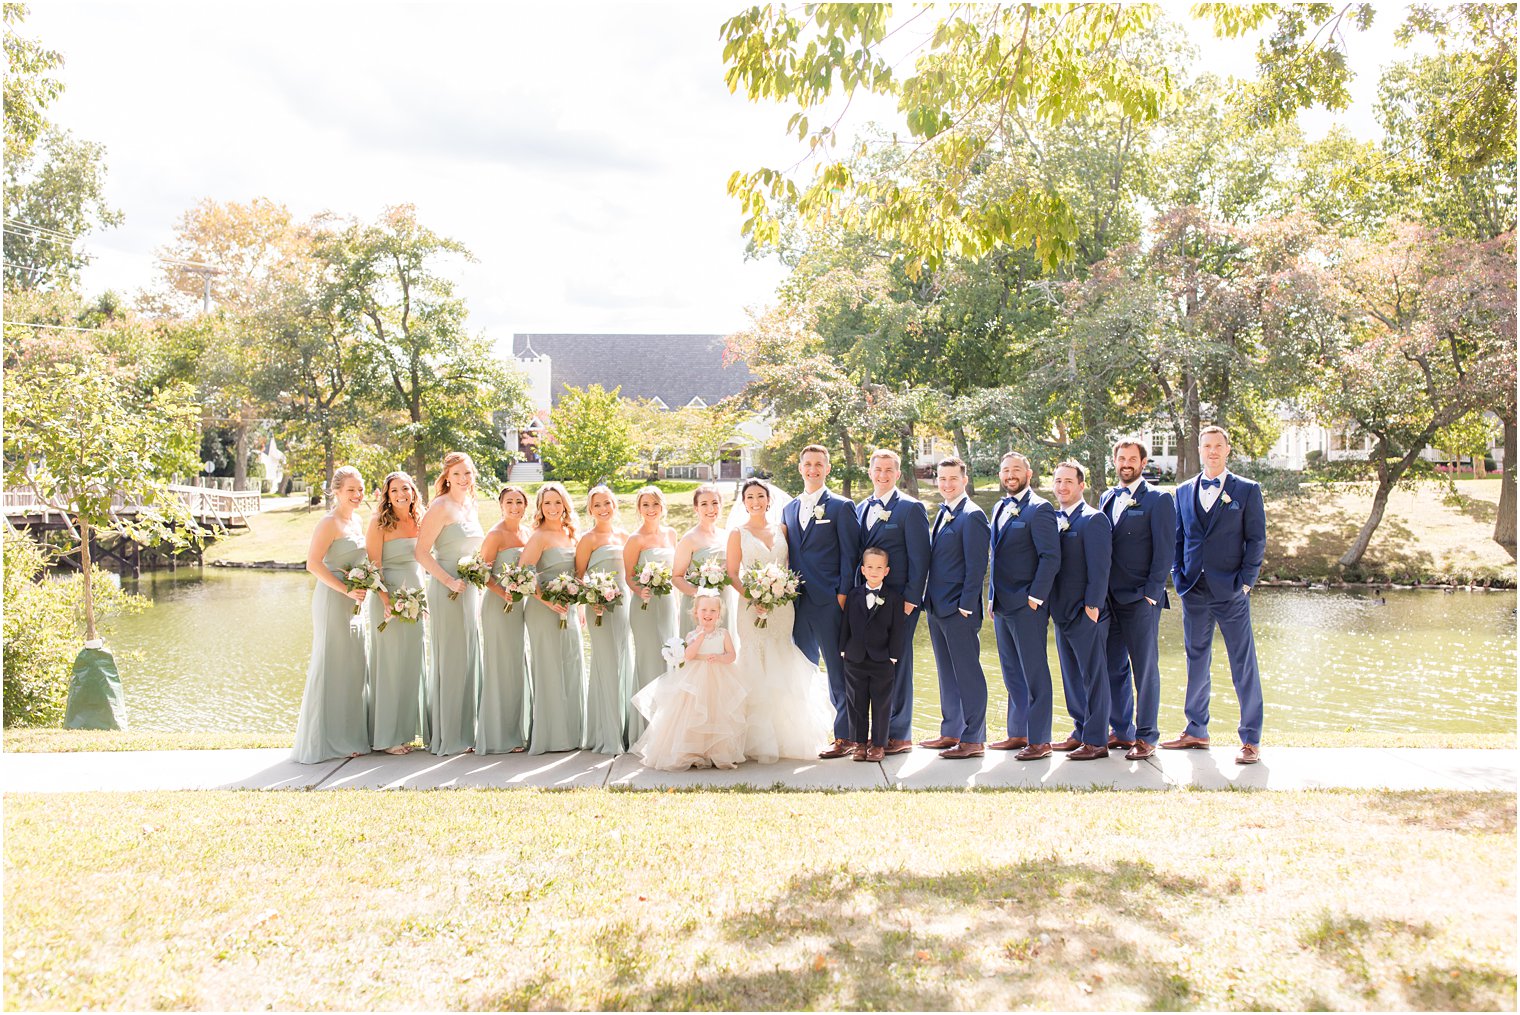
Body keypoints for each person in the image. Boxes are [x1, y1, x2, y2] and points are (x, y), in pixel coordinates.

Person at [1165, 425, 1267, 765]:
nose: (1211, 451)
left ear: (1227, 450)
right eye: (1206, 445)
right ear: (1199, 448)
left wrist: (1246, 581)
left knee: (1243, 663)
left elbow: (1256, 539)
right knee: (1196, 660)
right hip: (1194, 589)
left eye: (1217, 446)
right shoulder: (1182, 491)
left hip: (1231, 591)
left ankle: (1250, 739)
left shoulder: (1247, 490)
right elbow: (1177, 538)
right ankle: (1196, 729)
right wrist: (1178, 576)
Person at [726, 477, 835, 762]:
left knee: (782, 655)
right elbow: (732, 574)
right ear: (743, 502)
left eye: (760, 496)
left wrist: (780, 590)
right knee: (754, 659)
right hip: (751, 607)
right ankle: (752, 739)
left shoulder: (782, 529)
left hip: (783, 606)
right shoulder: (738, 533)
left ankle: (786, 735)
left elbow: (790, 565)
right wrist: (754, 597)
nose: (755, 502)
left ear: (768, 500)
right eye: (749, 497)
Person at [779, 445, 861, 758]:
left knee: (839, 671)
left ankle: (846, 736)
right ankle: (806, 734)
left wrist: (842, 595)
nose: (812, 469)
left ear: (827, 468)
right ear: (800, 468)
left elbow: (850, 554)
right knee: (802, 669)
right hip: (797, 604)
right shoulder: (789, 509)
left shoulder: (841, 506)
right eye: (807, 463)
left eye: (818, 464)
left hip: (830, 601)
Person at [1099, 439, 1176, 761]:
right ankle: (1122, 730)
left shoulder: (1158, 499)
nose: (1126, 464)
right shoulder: (1106, 497)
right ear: (1114, 462)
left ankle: (1146, 736)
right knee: (1113, 668)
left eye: (1132, 459)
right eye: (1121, 458)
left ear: (1143, 463)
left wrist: (1151, 594)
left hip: (1141, 600)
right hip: (1108, 599)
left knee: (1144, 670)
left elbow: (1165, 551)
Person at [293, 466, 372, 763]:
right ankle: (324, 741)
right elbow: (313, 564)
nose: (357, 495)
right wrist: (344, 589)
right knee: (331, 664)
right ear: (336, 491)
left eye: (360, 489)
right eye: (351, 490)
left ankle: (349, 737)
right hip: (332, 600)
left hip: (354, 601)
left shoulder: (358, 520)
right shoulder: (329, 522)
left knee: (353, 665)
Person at [855, 449, 930, 755]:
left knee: (897, 664)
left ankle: (899, 734)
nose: (883, 475)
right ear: (870, 472)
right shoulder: (861, 508)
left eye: (889, 470)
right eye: (878, 469)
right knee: (870, 665)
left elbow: (920, 558)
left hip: (899, 603)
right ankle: (874, 735)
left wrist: (912, 599)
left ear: (898, 474)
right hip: (867, 602)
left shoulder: (910, 509)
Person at [986, 452, 1061, 759]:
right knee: (1011, 674)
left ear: (1029, 474)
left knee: (1034, 674)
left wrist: (1035, 598)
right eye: (1006, 470)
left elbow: (1050, 557)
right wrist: (991, 597)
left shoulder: (1040, 509)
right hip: (1002, 604)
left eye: (1016, 469)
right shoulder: (999, 507)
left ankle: (1041, 740)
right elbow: (996, 557)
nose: (1010, 474)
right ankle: (1018, 733)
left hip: (1027, 605)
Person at [919, 456, 992, 759]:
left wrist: (965, 606)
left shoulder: (972, 515)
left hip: (958, 610)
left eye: (952, 478)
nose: (946, 484)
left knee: (968, 673)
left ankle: (973, 738)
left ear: (964, 479)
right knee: (947, 674)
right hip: (937, 607)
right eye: (942, 478)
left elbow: (977, 566)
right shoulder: (944, 513)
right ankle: (951, 731)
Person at [414, 451, 485, 756]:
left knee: (469, 658)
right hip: (447, 589)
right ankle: (448, 736)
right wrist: (448, 582)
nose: (463, 479)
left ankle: (467, 732)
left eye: (468, 473)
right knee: (452, 658)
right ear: (446, 477)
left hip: (469, 589)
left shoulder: (471, 506)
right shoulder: (440, 507)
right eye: (457, 474)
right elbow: (421, 552)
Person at [630, 592, 747, 771]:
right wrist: (700, 637)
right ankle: (692, 751)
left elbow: (732, 655)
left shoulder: (723, 633)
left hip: (719, 677)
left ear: (719, 614)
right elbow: (688, 655)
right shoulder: (692, 634)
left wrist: (720, 658)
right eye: (704, 610)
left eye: (713, 610)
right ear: (696, 613)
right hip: (695, 677)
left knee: (716, 712)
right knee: (692, 713)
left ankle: (715, 751)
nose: (708, 614)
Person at [1047, 461, 1114, 761]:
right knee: (1071, 677)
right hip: (1060, 612)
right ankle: (1080, 731)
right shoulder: (1052, 518)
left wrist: (1093, 607)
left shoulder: (1094, 519)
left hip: (1086, 613)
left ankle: (1097, 740)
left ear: (1081, 485)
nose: (1062, 487)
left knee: (1094, 677)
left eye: (1068, 481)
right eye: (1058, 481)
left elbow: (1101, 569)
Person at [521, 482, 587, 755]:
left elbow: (579, 575)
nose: (552, 508)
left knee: (571, 664)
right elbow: (523, 574)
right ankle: (551, 736)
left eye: (556, 502)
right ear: (540, 507)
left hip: (568, 608)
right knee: (549, 667)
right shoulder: (538, 536)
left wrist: (579, 606)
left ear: (565, 505)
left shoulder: (572, 535)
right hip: (542, 610)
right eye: (546, 503)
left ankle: (573, 733)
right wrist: (546, 600)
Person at [365, 470, 426, 755]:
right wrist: (385, 599)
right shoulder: (379, 523)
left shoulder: (420, 520)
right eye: (394, 491)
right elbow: (373, 566)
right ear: (387, 497)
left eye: (405, 489)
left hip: (416, 597)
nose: (401, 495)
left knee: (411, 662)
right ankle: (386, 736)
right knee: (389, 664)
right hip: (387, 597)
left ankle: (404, 731)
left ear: (413, 491)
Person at [576, 485, 634, 755]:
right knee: (605, 665)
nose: (603, 509)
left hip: (622, 607)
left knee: (623, 662)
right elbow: (579, 577)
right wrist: (592, 598)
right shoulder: (587, 539)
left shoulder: (625, 536)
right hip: (598, 607)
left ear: (615, 505)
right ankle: (606, 735)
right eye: (597, 505)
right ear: (590, 509)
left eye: (607, 503)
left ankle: (623, 730)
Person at [622, 486, 679, 745]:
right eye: (645, 505)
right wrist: (641, 589)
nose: (651, 509)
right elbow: (629, 576)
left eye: (655, 504)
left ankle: (667, 726)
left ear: (662, 506)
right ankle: (643, 730)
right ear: (639, 508)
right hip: (644, 606)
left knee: (669, 657)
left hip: (667, 603)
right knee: (648, 658)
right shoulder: (635, 540)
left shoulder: (671, 534)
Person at [477, 485, 531, 754]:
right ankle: (497, 736)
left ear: (526, 505)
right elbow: (482, 572)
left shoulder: (527, 533)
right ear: (501, 505)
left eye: (519, 502)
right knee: (499, 666)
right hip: (498, 607)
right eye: (509, 502)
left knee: (514, 666)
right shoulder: (495, 534)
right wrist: (503, 592)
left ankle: (514, 732)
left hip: (518, 608)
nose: (514, 507)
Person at [839, 547, 906, 763]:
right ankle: (859, 743)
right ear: (863, 570)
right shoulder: (854, 594)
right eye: (870, 567)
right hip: (855, 657)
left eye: (879, 567)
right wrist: (843, 649)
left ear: (886, 571)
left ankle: (878, 745)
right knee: (856, 702)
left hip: (882, 659)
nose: (874, 571)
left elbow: (897, 629)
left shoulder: (894, 598)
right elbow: (845, 625)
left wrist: (893, 656)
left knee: (881, 703)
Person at [672, 484, 738, 640]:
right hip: (698, 608)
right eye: (704, 504)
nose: (711, 508)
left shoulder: (727, 536)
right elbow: (676, 577)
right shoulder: (689, 539)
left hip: (723, 603)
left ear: (721, 505)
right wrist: (702, 596)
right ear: (696, 508)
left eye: (715, 503)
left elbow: (733, 571)